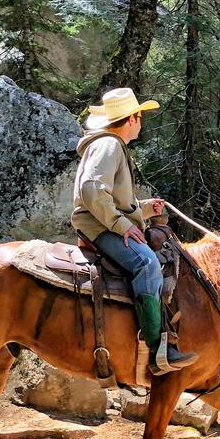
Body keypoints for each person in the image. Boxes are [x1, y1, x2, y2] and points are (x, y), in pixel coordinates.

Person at [72, 87, 198, 375]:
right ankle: (156, 348)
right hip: (98, 226)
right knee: (147, 264)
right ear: (131, 119)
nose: (142, 122)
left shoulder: (111, 145)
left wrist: (143, 209)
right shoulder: (109, 145)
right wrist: (123, 225)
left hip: (103, 221)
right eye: (140, 116)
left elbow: (112, 200)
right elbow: (92, 190)